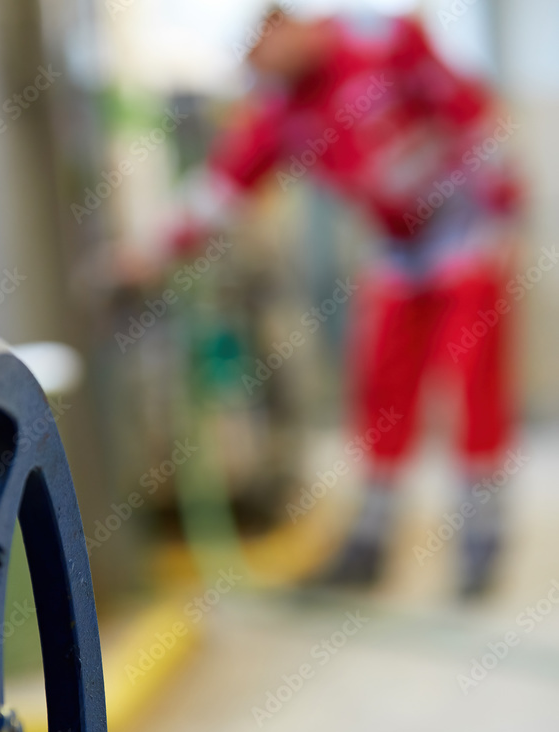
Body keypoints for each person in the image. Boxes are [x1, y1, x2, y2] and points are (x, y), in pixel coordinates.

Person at [129, 7, 522, 595]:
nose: (256, 62)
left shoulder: (384, 40)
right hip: (397, 247)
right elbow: (224, 187)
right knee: (382, 387)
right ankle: (370, 537)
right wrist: (153, 251)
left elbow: (471, 117)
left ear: (283, 24)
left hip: (462, 231)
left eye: (258, 44)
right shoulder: (284, 111)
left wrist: (502, 214)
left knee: (471, 381)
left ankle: (481, 535)